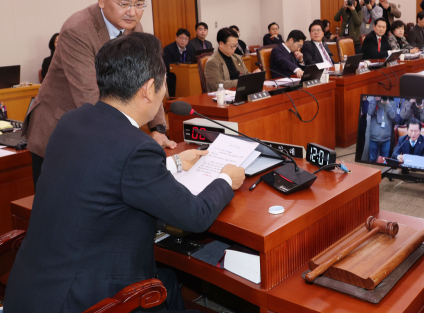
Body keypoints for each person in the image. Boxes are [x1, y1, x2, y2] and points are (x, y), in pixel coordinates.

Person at [4, 33, 245, 313]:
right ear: (149, 88)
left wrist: (176, 163)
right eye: (165, 82)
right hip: (87, 300)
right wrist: (226, 178)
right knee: (170, 285)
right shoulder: (136, 147)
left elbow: (102, 171)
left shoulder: (73, 120)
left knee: (170, 280)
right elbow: (195, 216)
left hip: (31, 291)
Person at [23, 0, 174, 188]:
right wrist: (130, 142)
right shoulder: (78, 30)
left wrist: (158, 128)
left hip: (103, 129)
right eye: (124, 3)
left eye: (140, 3)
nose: (132, 12)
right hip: (62, 130)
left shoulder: (133, 28)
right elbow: (89, 97)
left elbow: (150, 80)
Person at [164, 29, 194, 97]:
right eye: (181, 38)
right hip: (173, 78)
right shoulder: (168, 49)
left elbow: (192, 62)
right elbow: (168, 66)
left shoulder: (190, 48)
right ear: (176, 37)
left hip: (187, 76)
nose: (183, 41)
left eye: (186, 39)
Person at [367, 96, 396, 162]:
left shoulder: (392, 103)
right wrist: (375, 100)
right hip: (374, 138)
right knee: (372, 160)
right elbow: (370, 112)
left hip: (386, 139)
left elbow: (393, 116)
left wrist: (387, 103)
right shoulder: (373, 101)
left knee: (384, 161)